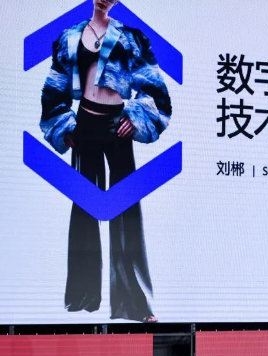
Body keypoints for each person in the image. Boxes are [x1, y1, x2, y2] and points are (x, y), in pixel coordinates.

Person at [39, 0, 171, 322]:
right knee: (84, 207)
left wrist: (137, 118)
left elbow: (154, 88)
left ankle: (134, 303)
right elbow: (54, 89)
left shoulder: (131, 38)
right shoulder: (70, 37)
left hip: (118, 126)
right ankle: (82, 297)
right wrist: (64, 126)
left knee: (126, 209)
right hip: (84, 124)